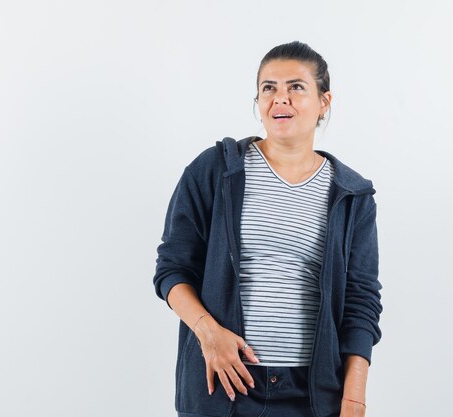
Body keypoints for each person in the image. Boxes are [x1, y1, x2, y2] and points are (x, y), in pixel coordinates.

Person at [153, 41, 383, 417]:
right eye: (269, 88)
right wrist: (210, 336)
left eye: (296, 87)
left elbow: (361, 302)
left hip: (311, 394)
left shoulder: (352, 195)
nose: (281, 99)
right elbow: (172, 269)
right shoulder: (216, 170)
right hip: (222, 385)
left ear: (324, 102)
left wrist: (353, 399)